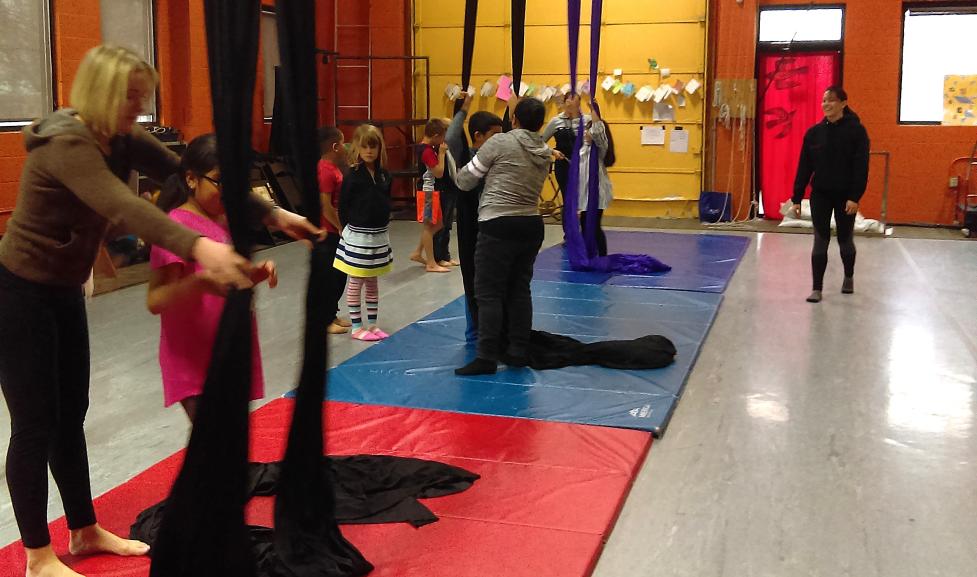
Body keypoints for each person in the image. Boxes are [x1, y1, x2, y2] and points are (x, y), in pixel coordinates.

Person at [0, 45, 318, 577]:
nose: (138, 109)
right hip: (19, 293)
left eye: (142, 98)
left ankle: (82, 530)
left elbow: (186, 170)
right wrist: (199, 248)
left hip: (62, 290)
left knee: (70, 414)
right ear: (101, 93)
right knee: (35, 423)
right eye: (130, 98)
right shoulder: (67, 144)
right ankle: (37, 556)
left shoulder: (119, 136)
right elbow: (124, 207)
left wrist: (274, 212)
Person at [147, 134, 276, 422]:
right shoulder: (176, 227)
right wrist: (199, 283)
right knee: (216, 449)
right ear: (192, 179)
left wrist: (252, 276)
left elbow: (223, 285)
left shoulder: (223, 220)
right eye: (220, 181)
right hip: (195, 362)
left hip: (228, 351)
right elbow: (156, 300)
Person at [454, 97, 558, 375]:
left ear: (513, 120)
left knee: (488, 293)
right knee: (519, 289)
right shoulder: (545, 150)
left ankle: (486, 356)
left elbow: (465, 180)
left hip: (498, 224)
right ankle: (517, 351)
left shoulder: (499, 143)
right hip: (531, 224)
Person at [791, 85, 870, 303]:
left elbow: (861, 167)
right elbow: (804, 167)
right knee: (820, 239)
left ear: (843, 103)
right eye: (824, 100)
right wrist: (797, 197)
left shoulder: (857, 132)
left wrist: (855, 196)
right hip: (821, 194)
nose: (826, 104)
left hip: (846, 196)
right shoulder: (814, 133)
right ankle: (817, 288)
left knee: (845, 240)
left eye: (831, 100)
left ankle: (849, 276)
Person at [444, 94, 504, 342]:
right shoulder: (467, 156)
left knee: (494, 281)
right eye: (494, 135)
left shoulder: (499, 156)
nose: (499, 140)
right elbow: (451, 138)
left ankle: (493, 327)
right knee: (473, 279)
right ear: (478, 136)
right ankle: (475, 330)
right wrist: (462, 110)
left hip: (494, 228)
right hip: (471, 228)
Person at [333, 124, 394, 341]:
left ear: (379, 149)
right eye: (364, 146)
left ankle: (373, 324)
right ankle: (357, 326)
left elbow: (386, 199)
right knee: (356, 279)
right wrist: (345, 227)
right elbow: (343, 205)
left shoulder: (385, 175)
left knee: (372, 281)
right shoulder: (353, 175)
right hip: (358, 235)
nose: (369, 151)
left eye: (373, 147)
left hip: (378, 234)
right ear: (357, 148)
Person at [316, 126, 352, 335]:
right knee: (330, 276)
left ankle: (332, 312)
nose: (346, 147)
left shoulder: (335, 167)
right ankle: (324, 318)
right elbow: (325, 206)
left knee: (339, 275)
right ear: (335, 146)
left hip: (337, 230)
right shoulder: (325, 171)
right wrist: (340, 227)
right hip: (328, 231)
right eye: (343, 143)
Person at [409, 118, 451, 273]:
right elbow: (439, 173)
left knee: (439, 223)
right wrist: (441, 154)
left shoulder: (424, 147)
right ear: (435, 136)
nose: (443, 141)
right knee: (429, 226)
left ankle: (418, 252)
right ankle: (431, 263)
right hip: (427, 191)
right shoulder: (427, 151)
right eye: (441, 137)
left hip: (430, 191)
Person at [577, 97, 616, 257]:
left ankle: (601, 256)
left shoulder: (599, 148)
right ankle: (590, 254)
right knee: (585, 225)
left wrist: (594, 110)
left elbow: (598, 131)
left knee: (593, 226)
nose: (587, 133)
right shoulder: (583, 149)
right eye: (587, 130)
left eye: (589, 130)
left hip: (596, 192)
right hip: (585, 193)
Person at [541, 92, 589, 197]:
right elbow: (540, 142)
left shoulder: (586, 120)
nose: (572, 108)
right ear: (564, 104)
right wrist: (552, 151)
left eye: (576, 105)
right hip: (564, 164)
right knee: (568, 197)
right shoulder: (556, 121)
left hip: (583, 163)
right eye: (569, 105)